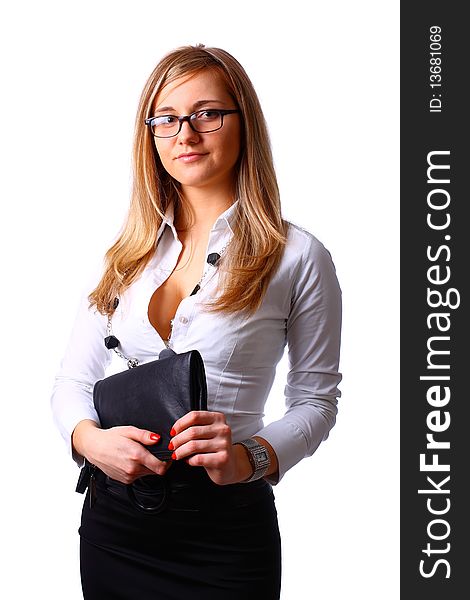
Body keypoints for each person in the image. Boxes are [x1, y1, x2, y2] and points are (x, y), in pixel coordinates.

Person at [51, 43, 342, 600]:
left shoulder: (298, 257)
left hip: (224, 536)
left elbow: (317, 401)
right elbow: (72, 382)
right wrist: (90, 442)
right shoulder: (127, 254)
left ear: (244, 121)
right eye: (166, 118)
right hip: (114, 525)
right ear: (150, 134)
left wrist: (246, 459)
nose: (185, 133)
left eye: (207, 112)